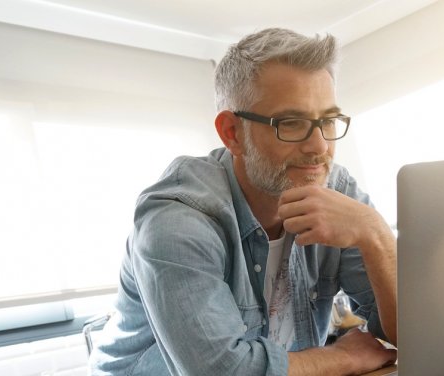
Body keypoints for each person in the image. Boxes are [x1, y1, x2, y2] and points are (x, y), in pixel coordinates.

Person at [89, 27, 397, 375]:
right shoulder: (177, 220)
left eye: (327, 121)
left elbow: (413, 332)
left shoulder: (338, 192)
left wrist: (375, 233)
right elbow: (220, 371)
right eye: (291, 123)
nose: (320, 147)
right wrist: (343, 357)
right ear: (232, 133)